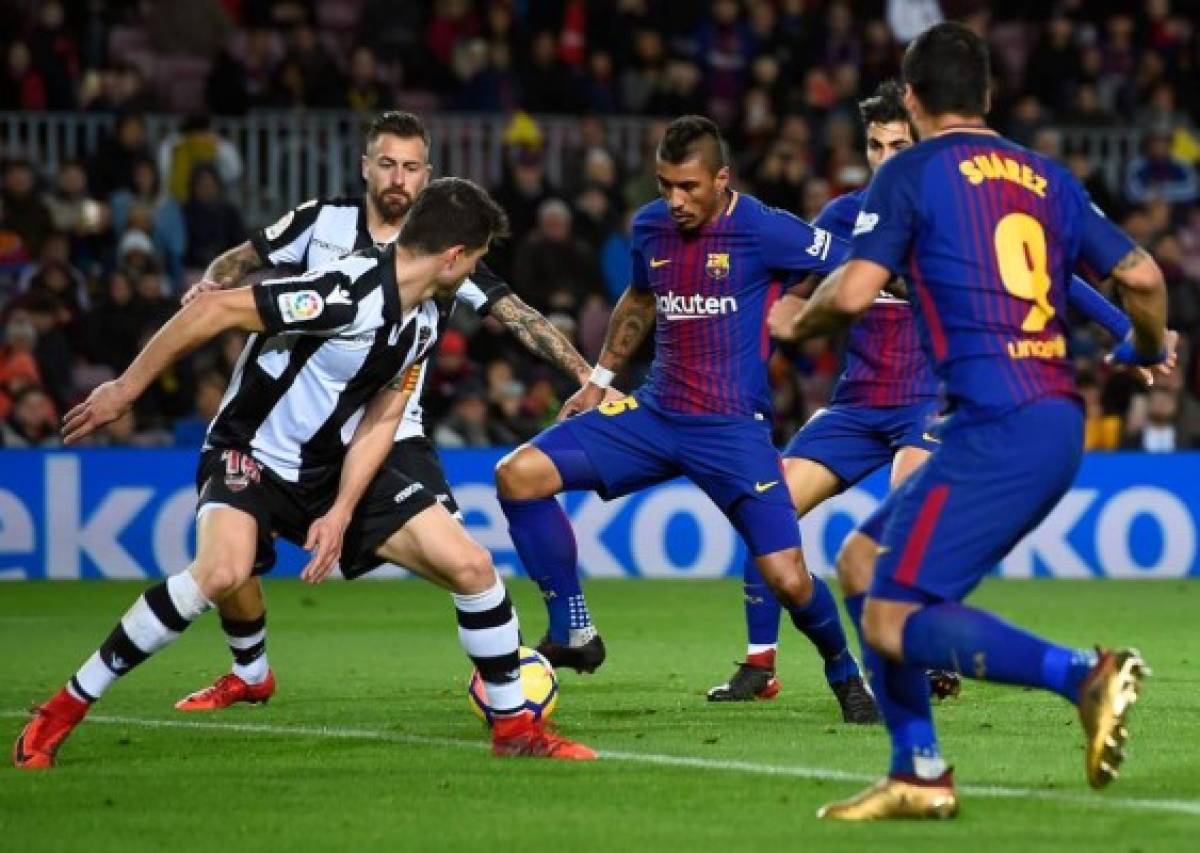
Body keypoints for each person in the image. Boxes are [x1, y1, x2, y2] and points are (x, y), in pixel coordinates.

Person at [13, 177, 595, 769]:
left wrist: (341, 511)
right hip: (252, 453)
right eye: (477, 256)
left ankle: (516, 733)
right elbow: (214, 309)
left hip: (330, 463)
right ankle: (65, 706)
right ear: (453, 257)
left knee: (472, 569)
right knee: (219, 573)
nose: (477, 267)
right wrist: (124, 389)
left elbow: (386, 412)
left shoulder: (424, 316)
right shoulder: (342, 290)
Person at [774, 23, 1168, 819]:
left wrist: (795, 324)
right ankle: (917, 770)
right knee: (859, 562)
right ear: (988, 96)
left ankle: (1081, 674)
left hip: (998, 422)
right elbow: (1144, 276)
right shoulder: (1044, 174)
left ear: (912, 101)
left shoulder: (910, 171)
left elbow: (849, 295)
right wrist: (1143, 346)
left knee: (891, 610)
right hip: (1047, 416)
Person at [708, 80, 1141, 706]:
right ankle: (760, 664)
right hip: (856, 404)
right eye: (876, 145)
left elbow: (1054, 269)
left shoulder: (954, 210)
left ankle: (930, 661)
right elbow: (795, 296)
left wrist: (1124, 326)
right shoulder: (841, 217)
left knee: (897, 541)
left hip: (928, 403)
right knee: (763, 508)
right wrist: (779, 317)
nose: (886, 157)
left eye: (898, 143)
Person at [175, 111, 593, 712]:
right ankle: (250, 671)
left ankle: (505, 685)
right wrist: (209, 287)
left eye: (412, 167)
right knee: (232, 552)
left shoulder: (443, 256)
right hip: (299, 423)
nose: (399, 178)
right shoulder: (322, 222)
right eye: (388, 164)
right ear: (366, 167)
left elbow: (516, 314)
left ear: (428, 176)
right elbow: (241, 260)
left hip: (390, 426)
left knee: (459, 559)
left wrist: (584, 373)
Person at [494, 115, 878, 724]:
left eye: (689, 187)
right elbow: (641, 298)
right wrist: (597, 381)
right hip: (654, 413)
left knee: (786, 576)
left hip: (732, 430)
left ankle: (845, 675)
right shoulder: (650, 227)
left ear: (722, 180)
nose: (674, 200)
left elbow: (859, 264)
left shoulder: (767, 230)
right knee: (518, 474)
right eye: (664, 184)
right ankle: (572, 630)